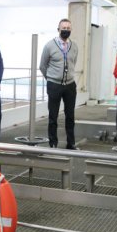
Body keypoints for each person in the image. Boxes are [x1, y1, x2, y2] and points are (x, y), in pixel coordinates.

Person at [39, 19, 79, 149]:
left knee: (70, 116)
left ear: (71, 30)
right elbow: (43, 66)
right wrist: (51, 78)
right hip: (54, 85)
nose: (66, 30)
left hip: (70, 85)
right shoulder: (49, 46)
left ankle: (71, 143)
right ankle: (53, 143)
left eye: (68, 28)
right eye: (63, 28)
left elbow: (73, 62)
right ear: (58, 29)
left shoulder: (74, 46)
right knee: (53, 116)